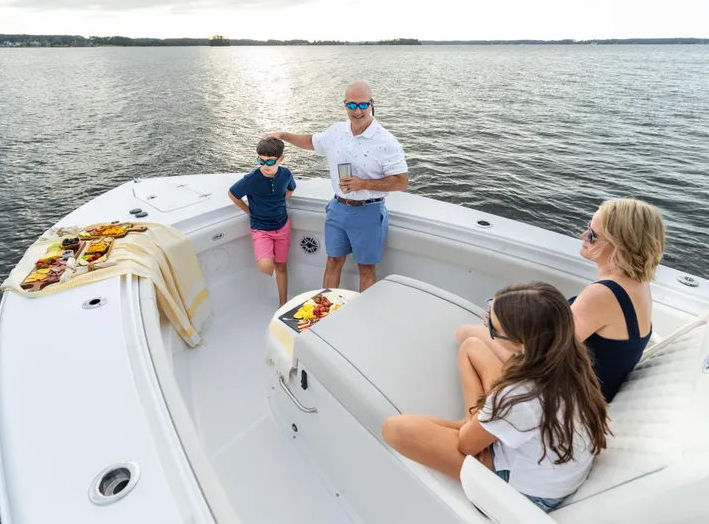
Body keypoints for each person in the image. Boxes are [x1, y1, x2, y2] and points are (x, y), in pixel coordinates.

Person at [382, 282, 610, 513]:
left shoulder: (520, 394)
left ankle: (473, 424)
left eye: (492, 326)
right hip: (550, 465)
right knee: (472, 347)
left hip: (529, 491)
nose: (486, 323)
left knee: (396, 428)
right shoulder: (570, 360)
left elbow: (466, 446)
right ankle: (476, 425)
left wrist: (470, 430)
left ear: (521, 343)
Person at [456, 198, 665, 403]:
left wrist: (500, 331)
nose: (583, 236)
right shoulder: (639, 283)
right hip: (598, 386)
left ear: (619, 246)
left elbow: (541, 359)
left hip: (573, 395)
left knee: (466, 334)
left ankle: (481, 419)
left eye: (592, 235)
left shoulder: (603, 294)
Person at [265, 81, 409, 291]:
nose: (357, 111)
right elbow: (310, 142)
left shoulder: (386, 141)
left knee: (366, 268)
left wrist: (364, 183)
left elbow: (401, 181)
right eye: (351, 105)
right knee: (333, 261)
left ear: (372, 103)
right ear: (345, 105)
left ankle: (361, 318)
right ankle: (325, 312)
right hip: (338, 209)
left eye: (362, 105)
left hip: (368, 212)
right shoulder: (336, 131)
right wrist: (283, 136)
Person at [228, 138, 296, 306]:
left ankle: (283, 303)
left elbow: (290, 189)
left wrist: (279, 201)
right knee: (266, 266)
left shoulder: (286, 174)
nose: (265, 165)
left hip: (282, 226)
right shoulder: (251, 179)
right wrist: (248, 211)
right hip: (261, 228)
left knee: (281, 266)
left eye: (270, 161)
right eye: (261, 160)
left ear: (281, 159)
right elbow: (233, 194)